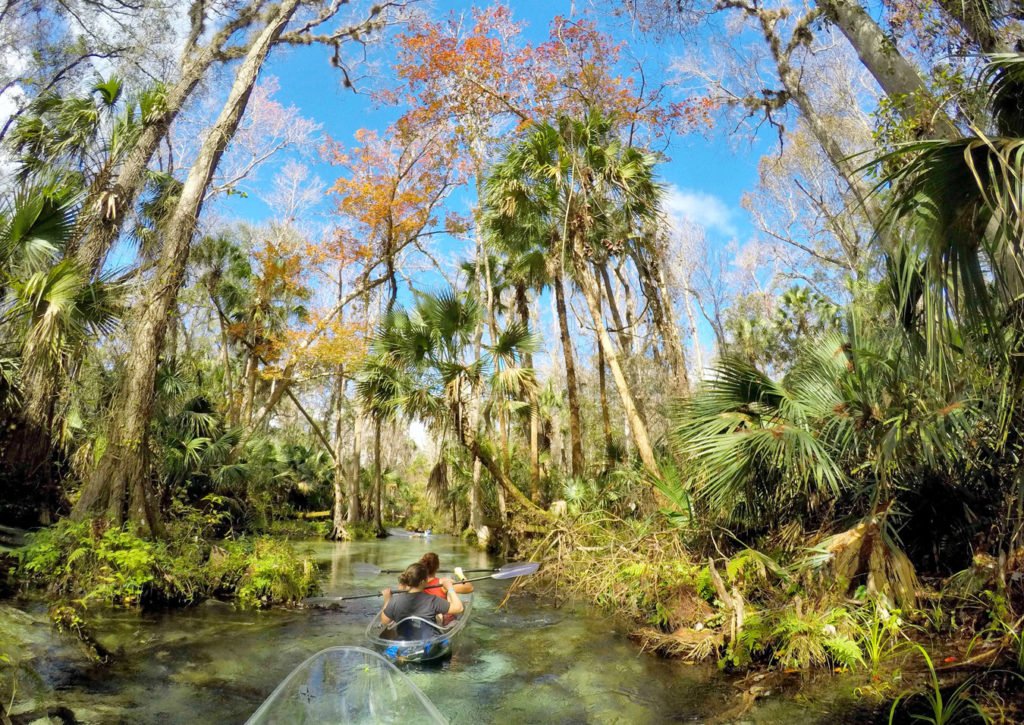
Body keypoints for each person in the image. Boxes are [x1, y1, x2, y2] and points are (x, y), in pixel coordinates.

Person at [380, 562, 463, 639]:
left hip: (406, 642)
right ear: (423, 582)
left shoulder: (395, 600)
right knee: (442, 618)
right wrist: (450, 588)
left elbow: (385, 621)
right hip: (428, 644)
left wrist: (387, 600)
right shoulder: (433, 600)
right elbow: (459, 608)